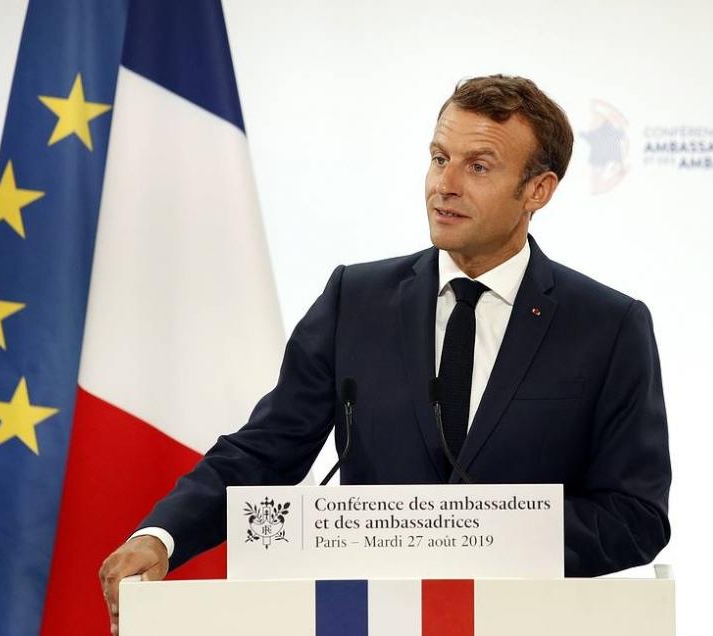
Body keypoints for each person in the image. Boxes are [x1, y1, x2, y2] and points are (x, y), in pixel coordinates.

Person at [99, 74, 671, 631]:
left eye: (478, 166)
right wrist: (162, 536)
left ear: (537, 190)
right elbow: (266, 450)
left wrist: (480, 536)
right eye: (439, 158)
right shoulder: (356, 300)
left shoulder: (607, 326)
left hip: (526, 623)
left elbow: (636, 515)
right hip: (370, 620)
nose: (445, 184)